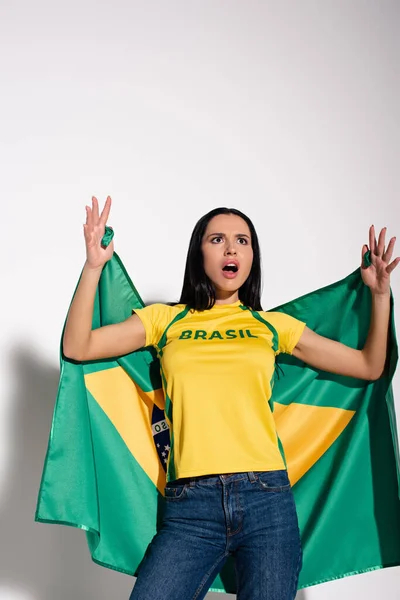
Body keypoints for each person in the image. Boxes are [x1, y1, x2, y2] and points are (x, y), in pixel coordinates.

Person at [63, 196, 398, 600]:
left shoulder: (272, 327)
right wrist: (93, 267)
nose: (231, 249)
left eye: (242, 241)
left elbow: (368, 365)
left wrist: (380, 296)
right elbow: (78, 346)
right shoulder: (165, 320)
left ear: (252, 256)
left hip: (267, 501)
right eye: (217, 239)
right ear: (198, 252)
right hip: (190, 506)